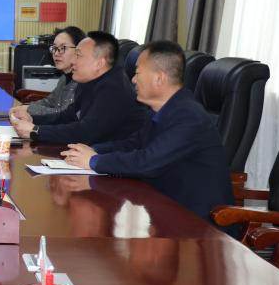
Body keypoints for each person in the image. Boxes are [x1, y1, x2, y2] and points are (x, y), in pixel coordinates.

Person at [61, 40, 233, 220]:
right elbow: (133, 144)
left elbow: (147, 162)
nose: (133, 79)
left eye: (137, 73)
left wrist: (94, 161)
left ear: (159, 78)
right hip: (163, 209)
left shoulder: (189, 117)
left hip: (199, 222)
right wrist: (94, 150)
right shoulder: (163, 110)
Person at [11, 31, 146, 144]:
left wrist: (36, 131)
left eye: (78, 56)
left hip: (114, 161)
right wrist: (33, 119)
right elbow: (67, 116)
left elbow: (86, 132)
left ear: (99, 63)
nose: (73, 61)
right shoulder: (88, 80)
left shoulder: (114, 89)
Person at [10, 25, 86, 120]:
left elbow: (64, 114)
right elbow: (49, 102)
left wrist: (29, 109)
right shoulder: (64, 77)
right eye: (54, 48)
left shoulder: (83, 81)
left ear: (79, 50)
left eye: (63, 48)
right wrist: (24, 107)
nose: (56, 53)